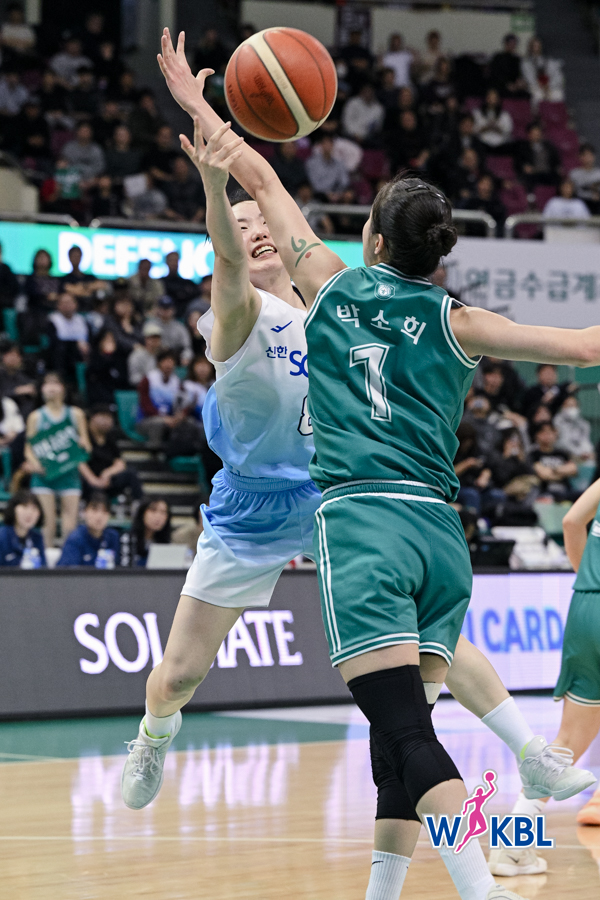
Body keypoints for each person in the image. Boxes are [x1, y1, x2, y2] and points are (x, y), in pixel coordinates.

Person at [122, 33, 598, 899]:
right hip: (310, 512)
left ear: (368, 238)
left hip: (348, 506)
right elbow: (232, 243)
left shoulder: (333, 292)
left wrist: (205, 120)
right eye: (243, 228)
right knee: (200, 678)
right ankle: (159, 734)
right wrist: (219, 181)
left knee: (410, 716)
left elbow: (266, 182)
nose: (256, 232)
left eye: (263, 226)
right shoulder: (257, 312)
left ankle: (510, 802)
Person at [491, 476, 600, 874]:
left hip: (587, 606)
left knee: (567, 741)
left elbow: (571, 521)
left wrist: (588, 578)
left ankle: (511, 847)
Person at [24, 372, 91, 547]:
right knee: (48, 523)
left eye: (56, 383)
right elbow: (29, 449)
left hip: (69, 474)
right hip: (44, 475)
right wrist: (37, 465)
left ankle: (68, 559)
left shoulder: (76, 414)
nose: (51, 387)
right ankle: (45, 559)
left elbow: (87, 445)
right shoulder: (36, 417)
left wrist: (82, 445)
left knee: (70, 525)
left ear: (63, 388)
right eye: (47, 384)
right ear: (42, 389)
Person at [78, 405, 143, 502]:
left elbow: (120, 462)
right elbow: (79, 462)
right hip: (88, 481)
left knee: (131, 473)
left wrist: (107, 473)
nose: (107, 421)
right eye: (103, 416)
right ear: (92, 417)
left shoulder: (110, 438)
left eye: (109, 417)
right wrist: (93, 480)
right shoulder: (84, 437)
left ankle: (138, 504)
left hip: (107, 481)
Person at [57, 492, 120, 567]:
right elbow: (67, 571)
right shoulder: (75, 539)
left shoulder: (113, 537)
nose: (99, 516)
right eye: (94, 510)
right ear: (84, 512)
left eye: (105, 511)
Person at [46, 292, 90, 385]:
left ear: (76, 304)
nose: (67, 305)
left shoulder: (82, 320)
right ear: (58, 306)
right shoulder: (53, 321)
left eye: (69, 302)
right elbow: (54, 342)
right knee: (60, 350)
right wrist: (75, 344)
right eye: (64, 303)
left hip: (82, 353)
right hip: (63, 355)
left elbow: (90, 339)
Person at [528, 421, 578, 502]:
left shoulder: (562, 453)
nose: (547, 435)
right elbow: (544, 474)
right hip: (544, 491)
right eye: (543, 432)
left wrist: (553, 470)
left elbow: (573, 469)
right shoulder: (534, 454)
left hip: (566, 490)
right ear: (537, 435)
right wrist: (563, 472)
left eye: (550, 432)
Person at [0, 490, 45, 568]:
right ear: (13, 509)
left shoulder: (37, 538)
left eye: (34, 508)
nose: (29, 513)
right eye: (25, 506)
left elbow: (44, 569)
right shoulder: (2, 537)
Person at [85, 328, 130, 405]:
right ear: (100, 342)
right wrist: (106, 358)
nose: (109, 344)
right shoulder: (95, 360)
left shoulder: (120, 360)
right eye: (107, 340)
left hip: (117, 397)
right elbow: (94, 376)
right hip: (100, 399)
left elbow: (123, 381)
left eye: (112, 341)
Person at [147, 294, 192, 362]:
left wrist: (185, 357)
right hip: (155, 357)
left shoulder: (180, 327)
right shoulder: (150, 325)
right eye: (163, 308)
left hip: (175, 358)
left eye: (168, 308)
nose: (165, 311)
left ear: (173, 310)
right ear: (158, 309)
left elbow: (187, 347)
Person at [521, 37, 564, 105]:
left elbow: (556, 75)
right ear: (530, 47)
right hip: (535, 87)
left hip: (548, 86)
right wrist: (540, 86)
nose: (536, 48)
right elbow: (529, 78)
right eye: (534, 46)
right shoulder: (526, 63)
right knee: (537, 95)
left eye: (538, 46)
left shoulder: (547, 60)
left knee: (558, 94)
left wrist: (548, 86)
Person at [129, 497, 171, 566]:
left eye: (163, 512)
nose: (158, 517)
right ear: (142, 513)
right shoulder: (128, 538)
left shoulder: (167, 542)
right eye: (153, 511)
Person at [554, 394, 595, 461]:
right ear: (563, 407)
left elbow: (585, 440)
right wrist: (579, 453)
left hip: (581, 454)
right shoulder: (557, 421)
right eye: (569, 406)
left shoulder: (584, 423)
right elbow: (563, 442)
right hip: (563, 453)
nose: (572, 408)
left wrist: (587, 451)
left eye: (574, 405)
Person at [472, 89, 513, 153]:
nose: (491, 100)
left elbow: (508, 131)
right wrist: (485, 128)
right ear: (485, 99)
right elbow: (472, 130)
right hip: (482, 142)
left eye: (494, 98)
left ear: (498, 100)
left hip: (501, 144)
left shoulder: (504, 115)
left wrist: (497, 128)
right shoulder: (477, 113)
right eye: (489, 97)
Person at [128, 321, 163, 386]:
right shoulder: (137, 355)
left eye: (157, 338)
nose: (155, 340)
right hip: (142, 388)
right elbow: (133, 378)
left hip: (160, 388)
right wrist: (149, 380)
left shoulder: (163, 355)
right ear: (146, 339)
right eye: (152, 337)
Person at [569, 143, 600, 214]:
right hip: (579, 202)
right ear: (580, 157)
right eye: (585, 155)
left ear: (594, 156)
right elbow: (570, 191)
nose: (588, 158)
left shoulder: (598, 173)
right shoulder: (574, 174)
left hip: (596, 203)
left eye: (590, 155)